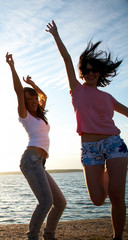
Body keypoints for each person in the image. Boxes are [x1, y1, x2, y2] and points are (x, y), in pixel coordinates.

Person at [46, 20, 128, 240]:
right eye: (87, 70)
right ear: (82, 73)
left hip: (114, 144)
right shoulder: (77, 90)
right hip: (90, 149)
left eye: (94, 70)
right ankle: (105, 172)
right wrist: (56, 35)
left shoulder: (108, 97)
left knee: (117, 195)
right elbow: (66, 59)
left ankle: (117, 237)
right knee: (98, 199)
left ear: (99, 73)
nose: (90, 73)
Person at [6, 52, 66, 240]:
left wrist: (32, 84)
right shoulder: (25, 116)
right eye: (28, 99)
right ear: (23, 102)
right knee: (46, 201)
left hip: (40, 162)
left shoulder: (39, 115)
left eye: (33, 98)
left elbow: (44, 95)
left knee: (60, 202)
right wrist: (12, 66)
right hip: (30, 159)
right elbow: (17, 91)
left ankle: (49, 235)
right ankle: (32, 236)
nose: (32, 101)